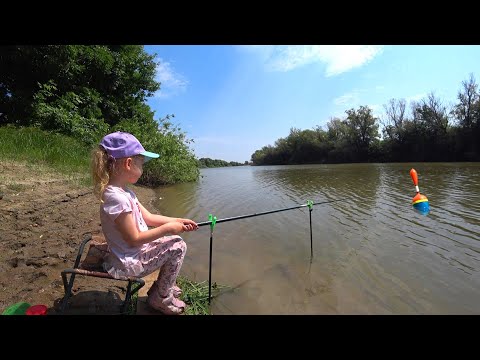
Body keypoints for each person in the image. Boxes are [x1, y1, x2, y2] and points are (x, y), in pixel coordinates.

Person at [91, 131, 199, 315]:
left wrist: (178, 220)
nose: (142, 170)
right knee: (178, 246)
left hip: (132, 254)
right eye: (141, 164)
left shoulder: (125, 193)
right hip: (128, 264)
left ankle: (163, 287)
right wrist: (168, 229)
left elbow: (149, 218)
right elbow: (134, 238)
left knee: (173, 241)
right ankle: (161, 298)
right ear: (128, 163)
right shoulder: (117, 198)